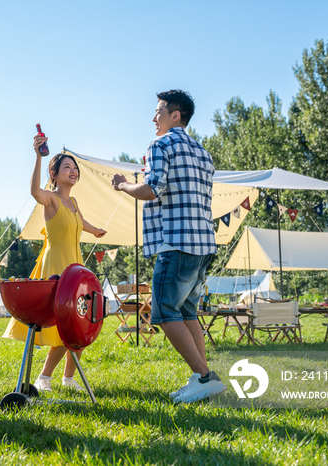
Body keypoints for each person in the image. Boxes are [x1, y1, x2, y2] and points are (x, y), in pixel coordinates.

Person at [111, 90, 227, 404]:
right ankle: (200, 378)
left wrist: (122, 185)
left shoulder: (161, 144)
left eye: (159, 111)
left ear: (175, 115)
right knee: (188, 311)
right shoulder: (203, 152)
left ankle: (204, 377)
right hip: (204, 242)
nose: (154, 118)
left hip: (176, 241)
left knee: (163, 311)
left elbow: (153, 188)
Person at [3, 135, 106, 393]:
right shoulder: (50, 199)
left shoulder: (73, 203)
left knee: (81, 322)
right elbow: (33, 192)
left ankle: (68, 379)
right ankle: (44, 378)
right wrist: (38, 156)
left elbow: (82, 223)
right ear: (55, 173)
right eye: (67, 168)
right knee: (64, 325)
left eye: (75, 168)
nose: (73, 171)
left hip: (76, 268)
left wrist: (96, 232)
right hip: (56, 269)